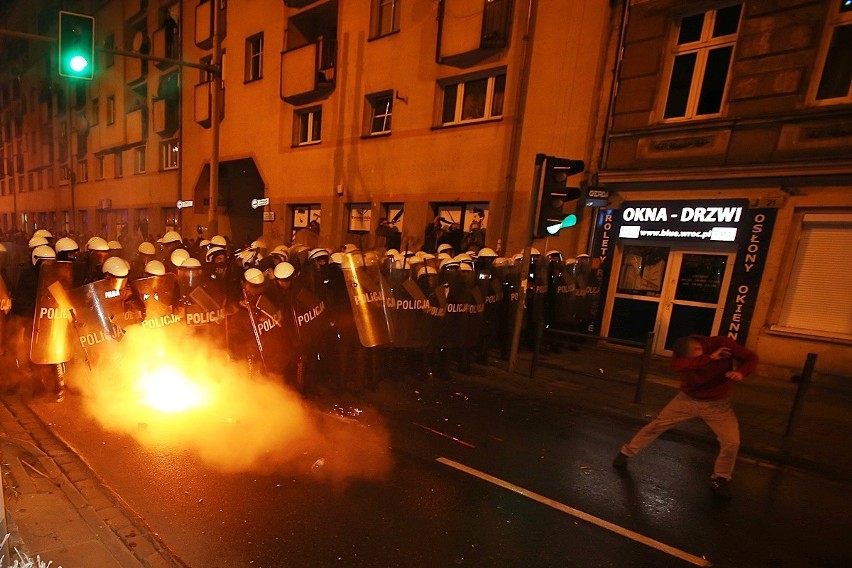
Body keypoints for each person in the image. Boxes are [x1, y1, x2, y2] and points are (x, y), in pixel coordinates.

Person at [612, 334, 758, 500]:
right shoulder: (683, 350)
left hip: (717, 403)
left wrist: (741, 372)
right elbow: (677, 366)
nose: (694, 363)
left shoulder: (723, 344)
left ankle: (720, 478)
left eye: (697, 356)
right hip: (687, 399)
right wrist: (709, 358)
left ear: (698, 347)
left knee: (732, 441)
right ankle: (626, 452)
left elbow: (751, 358)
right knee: (657, 425)